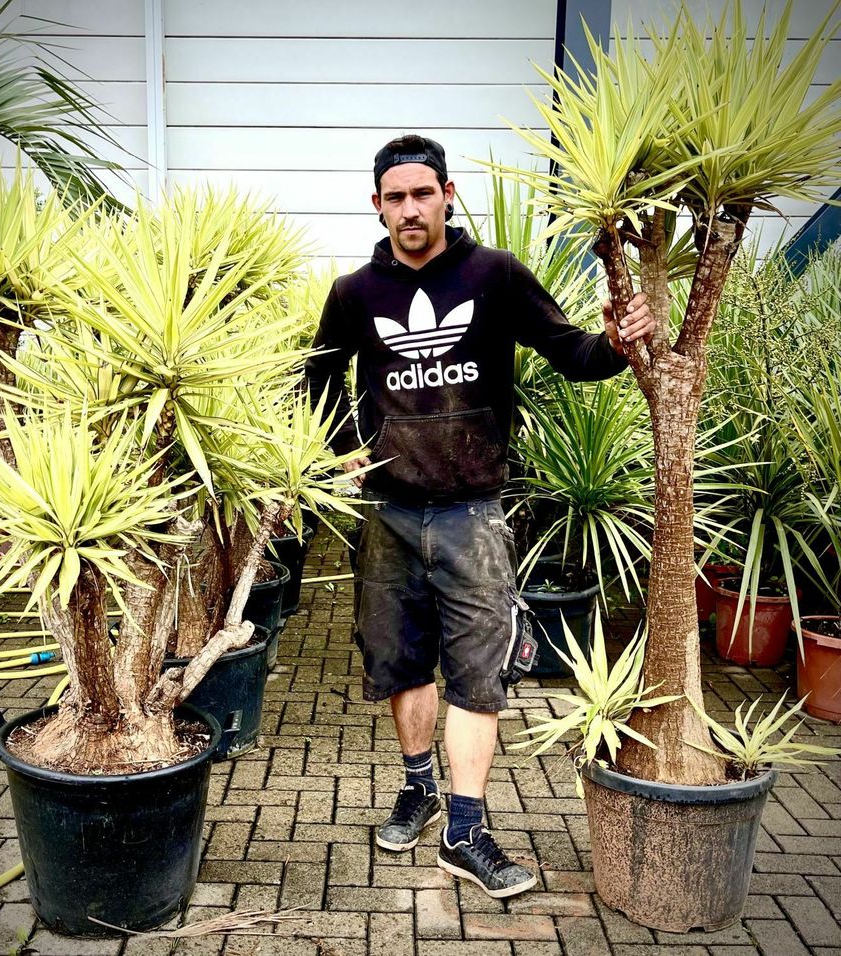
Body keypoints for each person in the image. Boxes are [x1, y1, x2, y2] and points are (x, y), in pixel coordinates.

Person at [305, 134, 654, 898]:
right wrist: (337, 450)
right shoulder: (355, 292)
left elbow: (575, 354)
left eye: (421, 193)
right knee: (399, 661)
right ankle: (418, 785)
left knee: (476, 675)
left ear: (447, 193)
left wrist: (620, 343)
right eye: (394, 197)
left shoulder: (495, 276)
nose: (408, 209)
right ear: (377, 205)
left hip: (473, 511)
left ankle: (465, 831)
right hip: (389, 511)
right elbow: (320, 374)